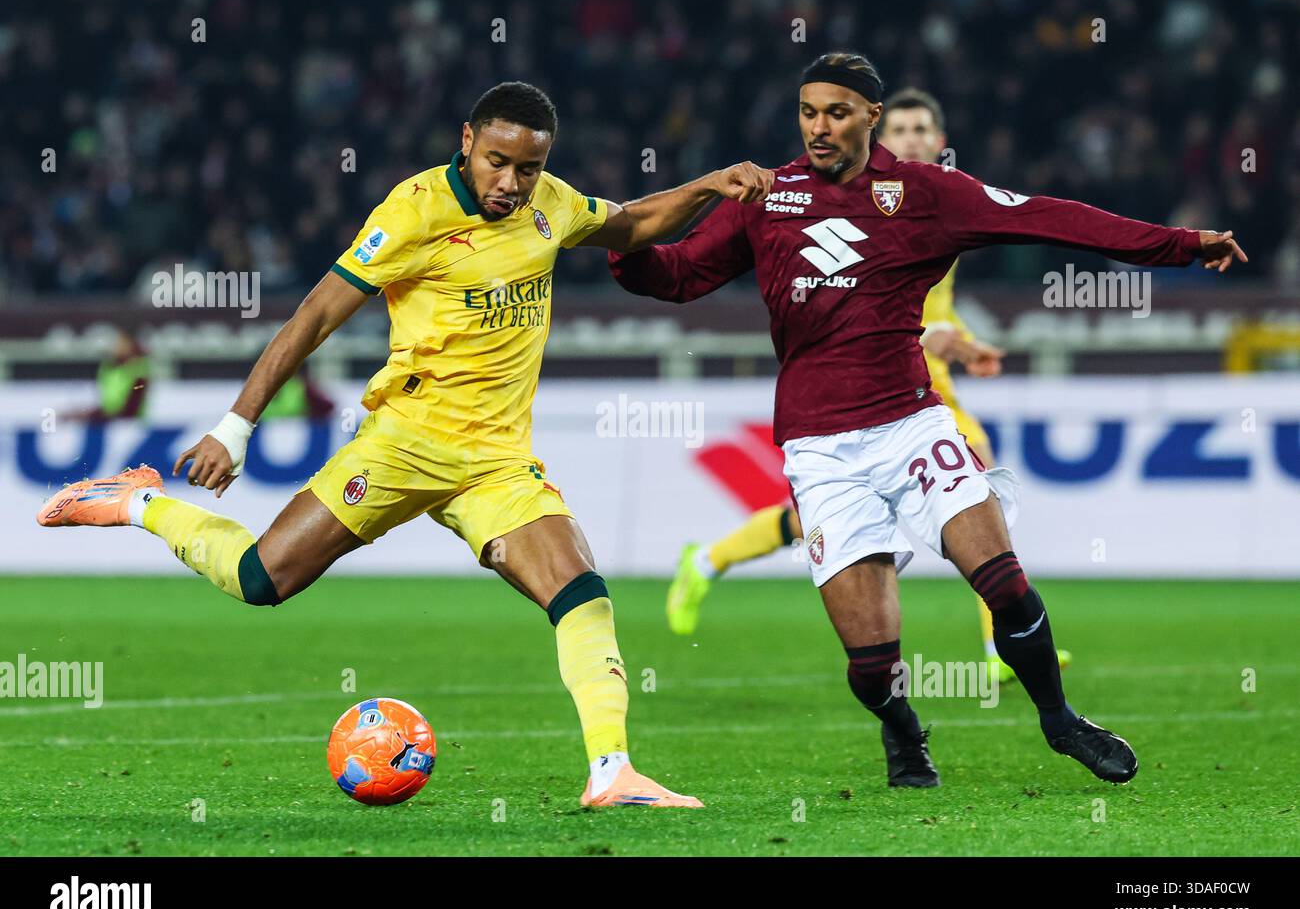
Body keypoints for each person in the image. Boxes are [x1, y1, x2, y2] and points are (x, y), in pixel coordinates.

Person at [37, 81, 773, 808]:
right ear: (467, 142)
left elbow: (635, 225)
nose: (511, 183)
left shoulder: (551, 204)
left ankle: (611, 773)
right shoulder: (413, 212)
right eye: (496, 161)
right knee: (262, 580)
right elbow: (316, 316)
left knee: (582, 593)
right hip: (402, 445)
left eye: (529, 168)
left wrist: (709, 184)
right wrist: (235, 428)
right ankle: (137, 505)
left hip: (496, 462)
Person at [609, 53, 1246, 788]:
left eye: (837, 112)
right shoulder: (766, 198)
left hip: (912, 422)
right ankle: (904, 730)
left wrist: (1179, 245)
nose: (819, 127)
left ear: (870, 118)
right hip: (819, 446)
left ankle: (1060, 719)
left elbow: (1050, 218)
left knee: (1004, 582)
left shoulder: (926, 194)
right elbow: (680, 275)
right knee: (871, 666)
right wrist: (623, 249)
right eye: (809, 111)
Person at [664, 87, 1070, 686]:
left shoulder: (937, 199)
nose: (908, 138)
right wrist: (938, 335)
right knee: (943, 488)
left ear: (939, 142)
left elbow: (930, 303)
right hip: (864, 381)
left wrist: (957, 337)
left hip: (923, 385)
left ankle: (709, 559)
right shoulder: (858, 199)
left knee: (957, 493)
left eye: (920, 129)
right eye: (898, 129)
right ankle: (998, 639)